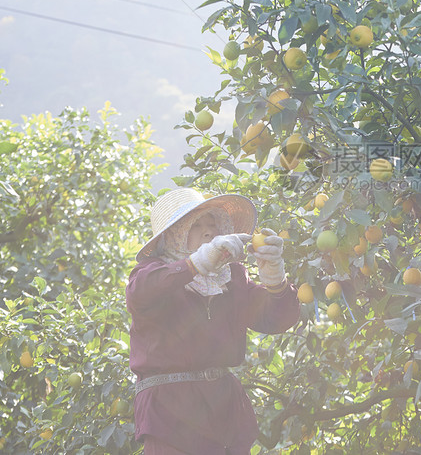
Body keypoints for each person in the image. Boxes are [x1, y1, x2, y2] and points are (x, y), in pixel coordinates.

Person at [126, 188, 299, 454]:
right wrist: (196, 264)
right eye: (196, 225)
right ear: (174, 234)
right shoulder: (151, 273)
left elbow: (273, 319)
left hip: (224, 408)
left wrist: (275, 279)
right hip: (170, 410)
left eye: (212, 224)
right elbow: (142, 291)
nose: (208, 232)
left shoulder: (231, 277)